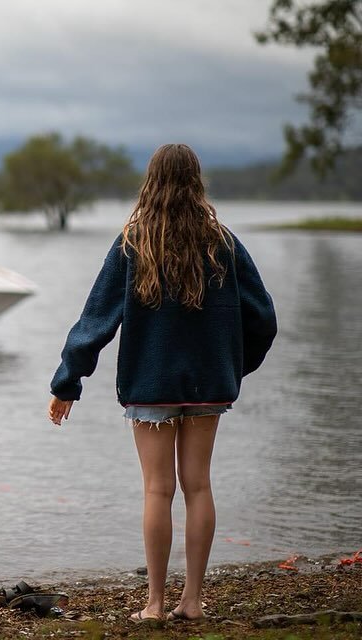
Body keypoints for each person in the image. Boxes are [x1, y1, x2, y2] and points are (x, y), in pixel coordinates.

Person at [47, 143, 277, 625]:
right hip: (208, 388)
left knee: (157, 490)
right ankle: (192, 600)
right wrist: (232, 367)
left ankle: (153, 603)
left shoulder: (134, 241)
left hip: (150, 387)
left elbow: (95, 320)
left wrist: (68, 382)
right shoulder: (222, 241)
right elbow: (264, 318)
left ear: (150, 181)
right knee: (198, 486)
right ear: (197, 181)